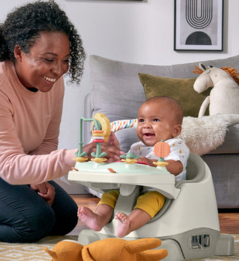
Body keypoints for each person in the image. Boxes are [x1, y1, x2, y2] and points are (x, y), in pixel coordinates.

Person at [0, 0, 122, 243]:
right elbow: (9, 166)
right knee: (35, 220)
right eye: (49, 59)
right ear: (18, 53)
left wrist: (38, 177)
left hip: (7, 167)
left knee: (66, 217)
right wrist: (75, 156)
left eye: (65, 60)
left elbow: (46, 140)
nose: (58, 70)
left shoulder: (52, 83)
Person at [78, 96, 190, 238]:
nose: (146, 125)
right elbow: (127, 165)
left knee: (150, 199)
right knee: (110, 194)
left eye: (155, 120)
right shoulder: (136, 148)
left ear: (175, 130)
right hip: (133, 188)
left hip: (162, 191)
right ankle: (99, 218)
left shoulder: (175, 145)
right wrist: (116, 151)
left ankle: (130, 224)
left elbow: (177, 167)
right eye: (142, 120)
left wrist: (152, 163)